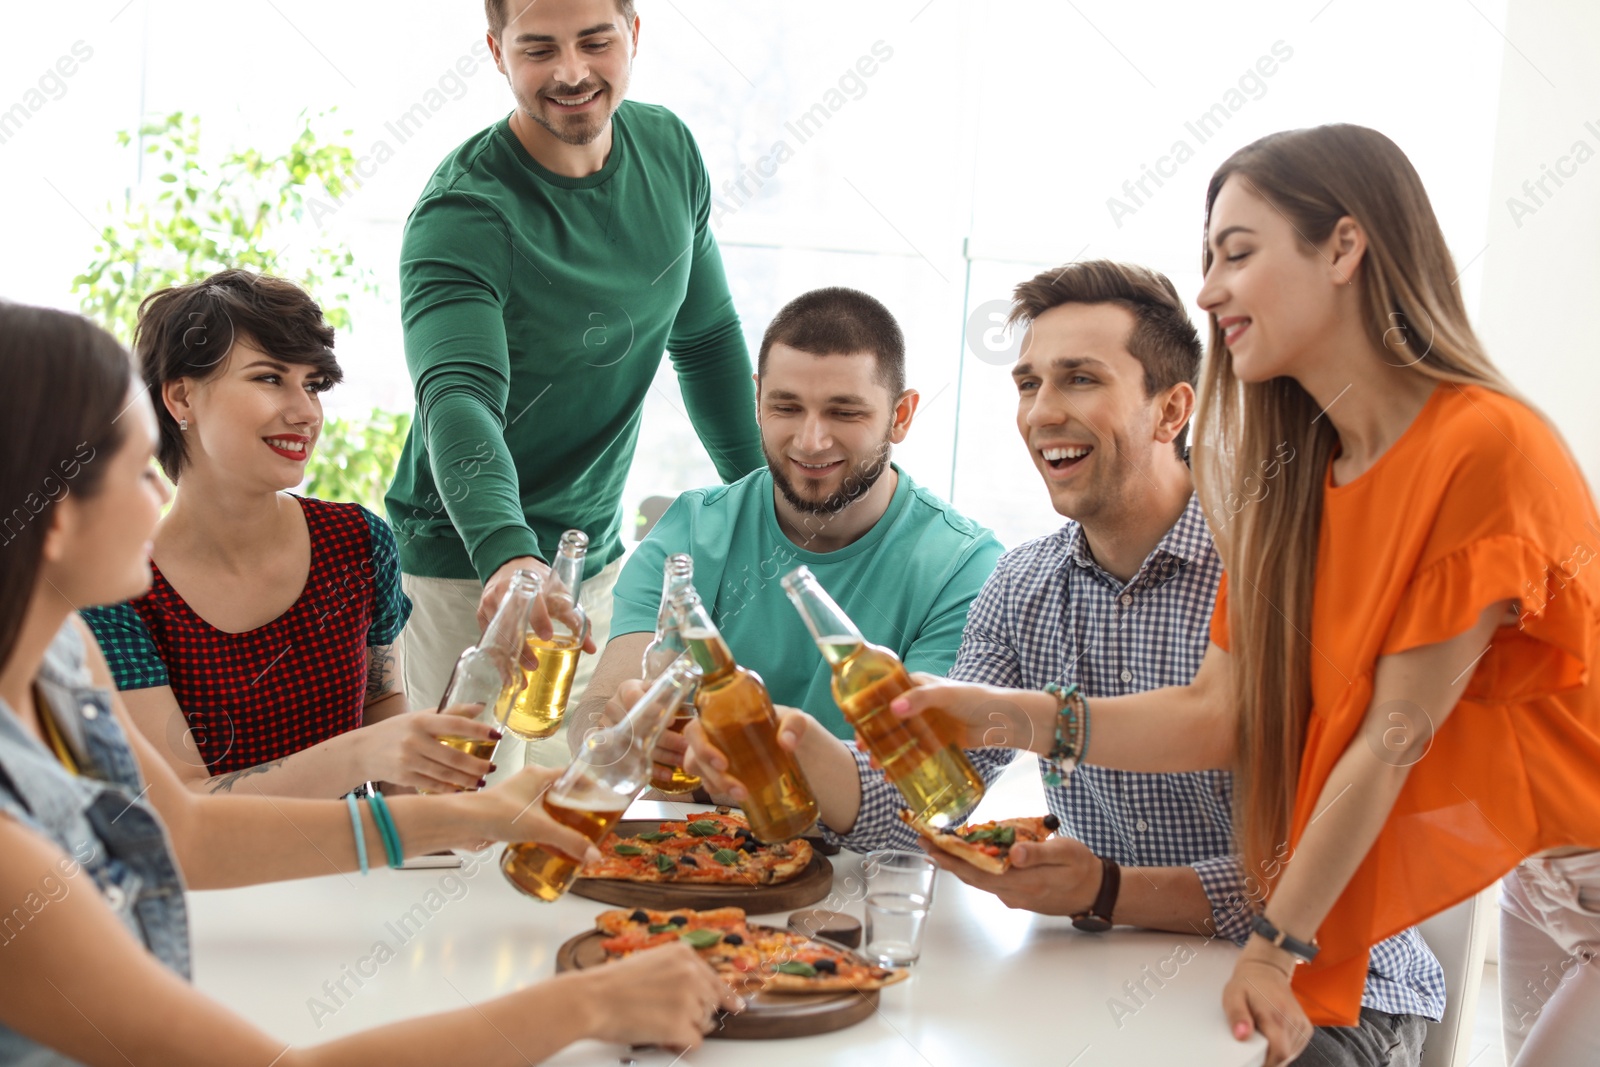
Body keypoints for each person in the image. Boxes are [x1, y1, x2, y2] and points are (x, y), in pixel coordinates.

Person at [886, 127, 1600, 1067]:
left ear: (1345, 248)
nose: (1211, 289)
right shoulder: (1301, 480)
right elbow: (1217, 711)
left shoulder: (1482, 447)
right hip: (1545, 875)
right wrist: (1008, 715)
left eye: (1238, 253)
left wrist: (1276, 943)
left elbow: (1392, 740)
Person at [685, 261, 1444, 1065]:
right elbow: (917, 800)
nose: (1044, 411)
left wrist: (1106, 889)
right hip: (1122, 970)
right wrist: (798, 742)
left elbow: (1333, 866)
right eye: (1027, 383)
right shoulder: (1023, 583)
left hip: (1326, 991)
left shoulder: (1278, 568)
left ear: (1172, 408)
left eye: (1080, 379)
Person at [0, 303, 740, 1066]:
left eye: (311, 383)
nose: (157, 497)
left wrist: (476, 810)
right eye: (135, 471)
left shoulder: (66, 652)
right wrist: (587, 1003)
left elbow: (179, 830)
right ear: (56, 514)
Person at [385, 0, 765, 771]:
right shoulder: (464, 212)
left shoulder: (669, 153)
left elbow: (708, 340)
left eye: (595, 40)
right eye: (538, 49)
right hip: (469, 565)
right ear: (496, 52)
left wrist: (770, 499)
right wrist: (506, 557)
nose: (571, 72)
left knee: (584, 804)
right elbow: (457, 397)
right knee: (459, 825)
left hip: (593, 559)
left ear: (634, 33)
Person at [77, 271, 497, 798]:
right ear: (181, 397)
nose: (305, 414)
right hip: (222, 880)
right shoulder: (118, 589)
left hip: (359, 860)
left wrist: (428, 830)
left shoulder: (358, 541)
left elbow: (381, 703)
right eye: (269, 378)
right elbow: (183, 801)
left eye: (313, 385)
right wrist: (361, 755)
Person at [573, 287, 1003, 785]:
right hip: (692, 847)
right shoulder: (690, 530)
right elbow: (601, 708)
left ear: (901, 416)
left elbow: (923, 775)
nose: (810, 440)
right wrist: (615, 731)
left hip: (866, 856)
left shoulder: (965, 566)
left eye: (844, 412)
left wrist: (748, 768)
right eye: (787, 407)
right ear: (757, 401)